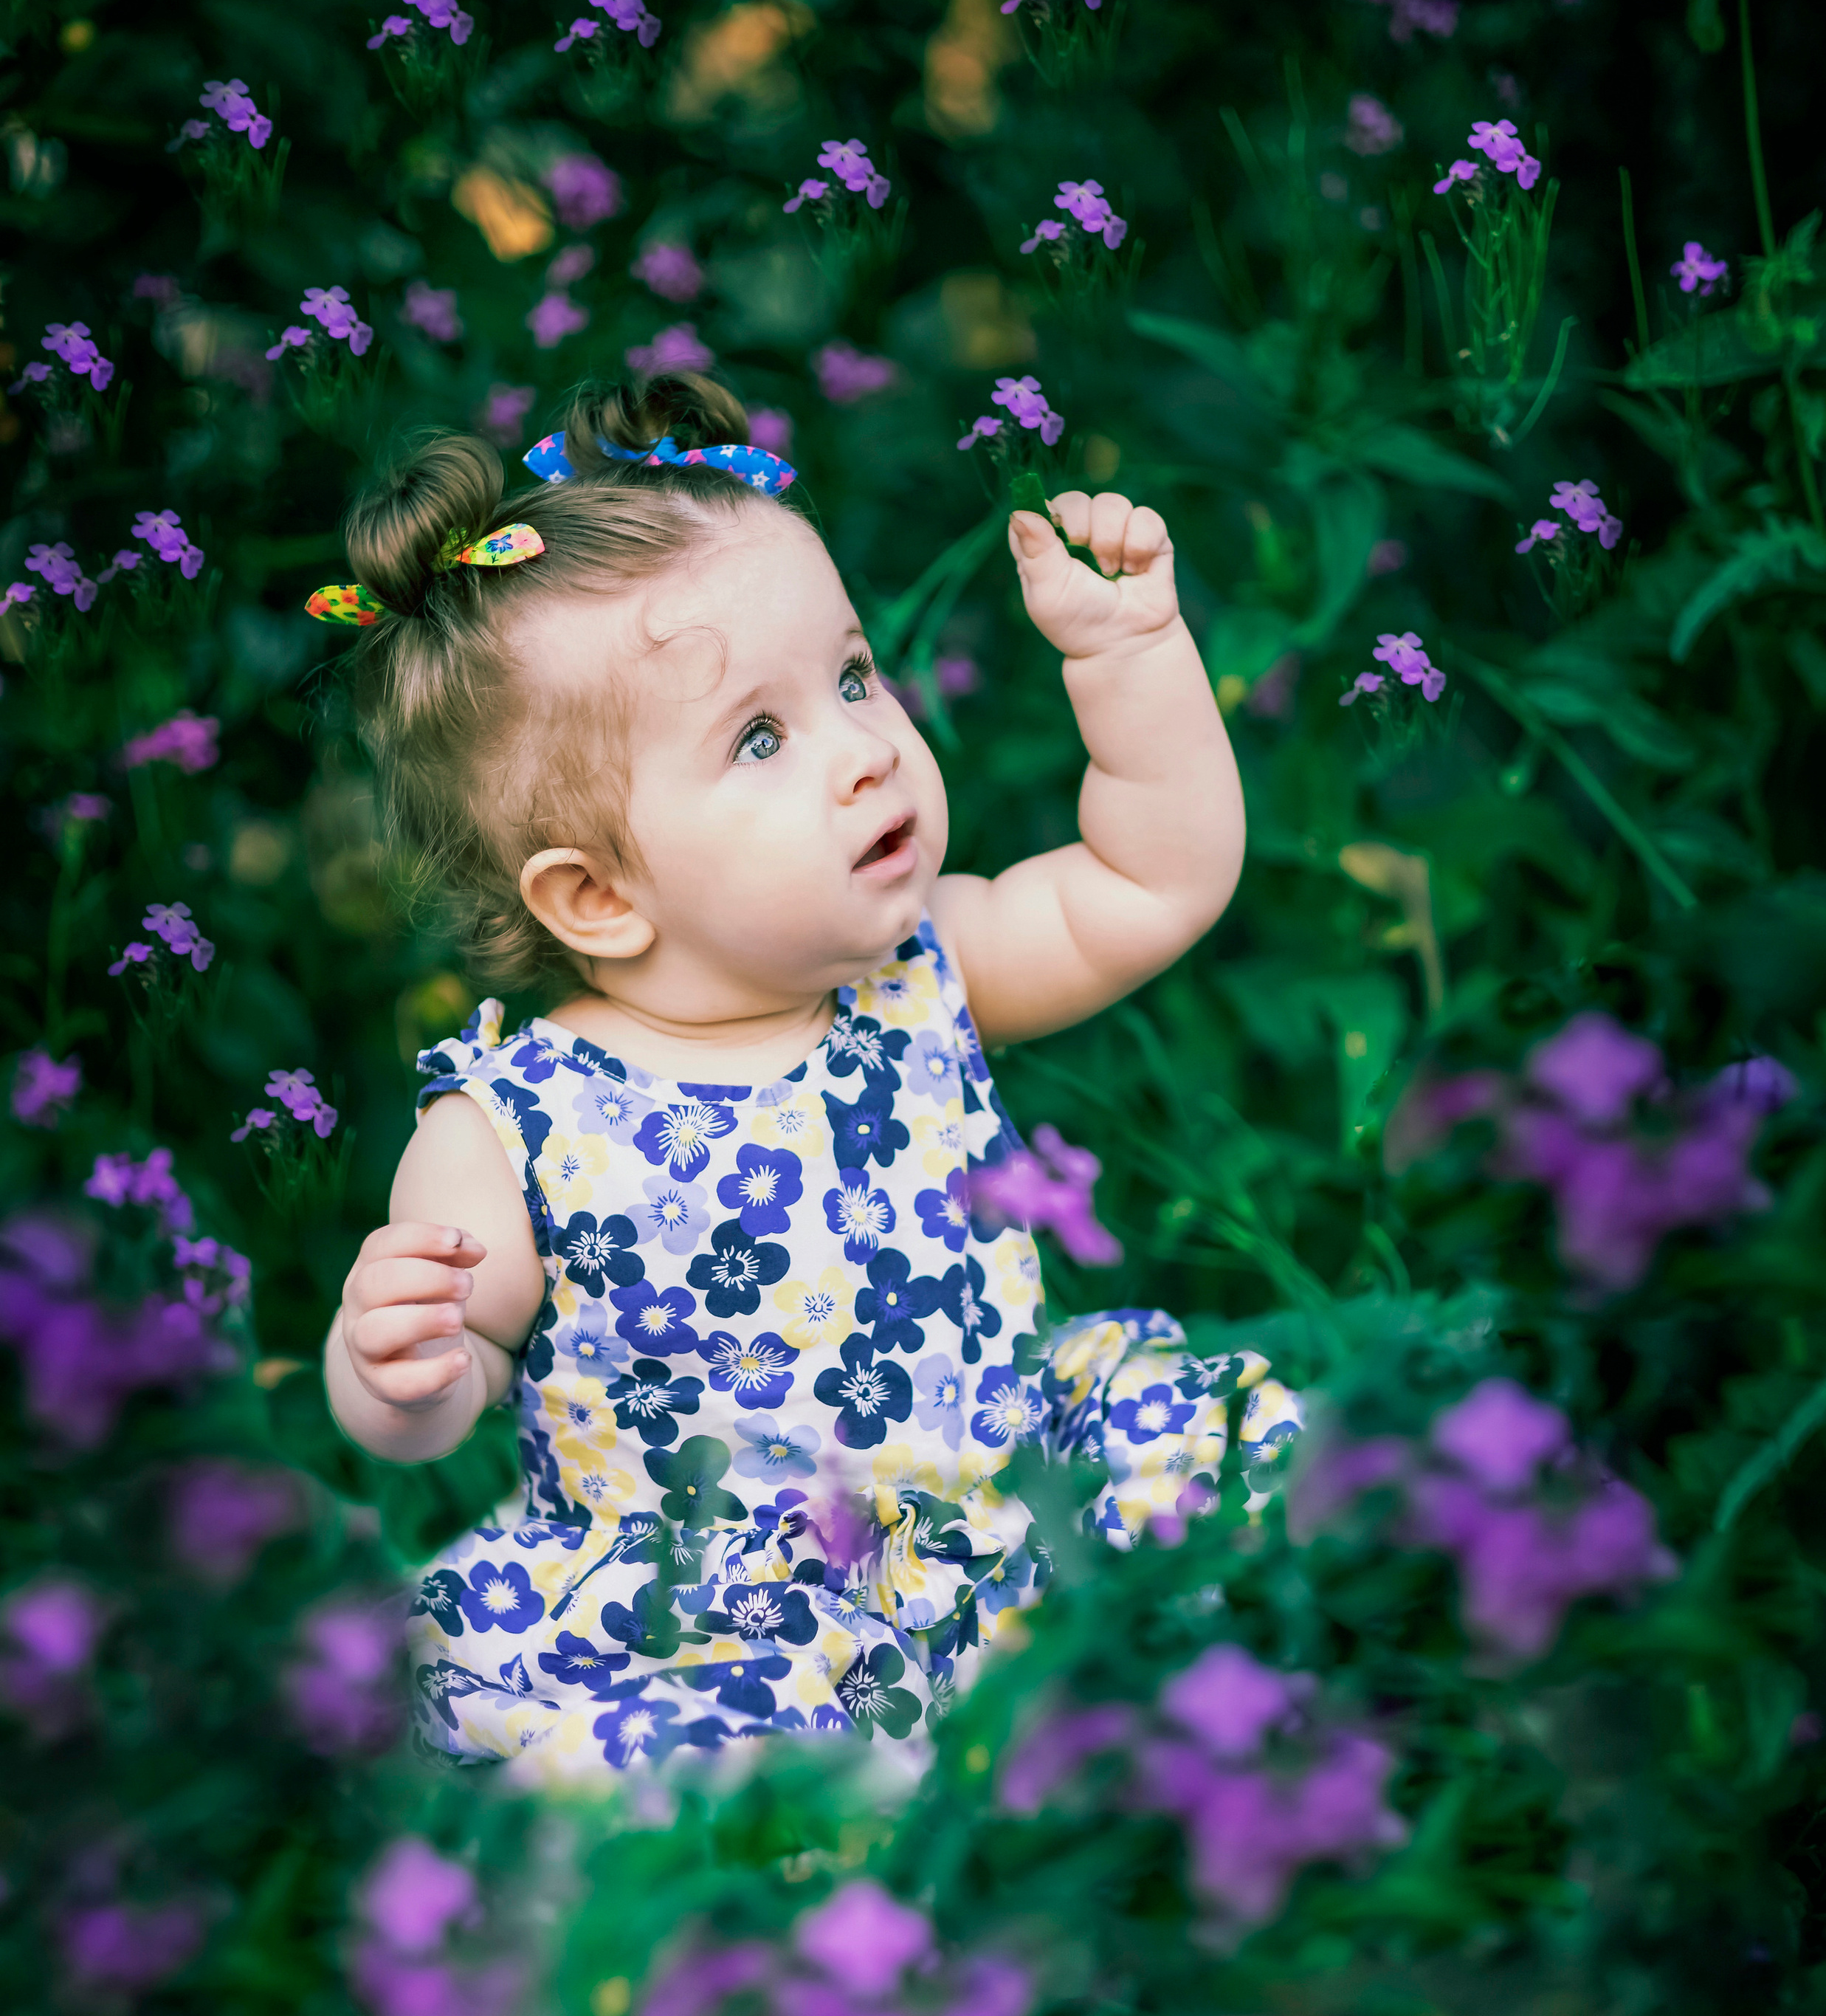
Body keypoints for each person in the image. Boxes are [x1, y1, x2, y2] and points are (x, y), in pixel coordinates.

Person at [320, 371, 1299, 1779]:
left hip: (997, 1502)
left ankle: (1166, 1747)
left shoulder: (925, 970)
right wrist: (394, 1370)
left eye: (852, 677)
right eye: (763, 740)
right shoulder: (512, 1122)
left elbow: (1155, 879)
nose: (863, 752)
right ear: (595, 897)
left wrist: (1129, 660)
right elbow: (456, 1367)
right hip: (714, 1616)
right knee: (695, 1764)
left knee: (1226, 1442)